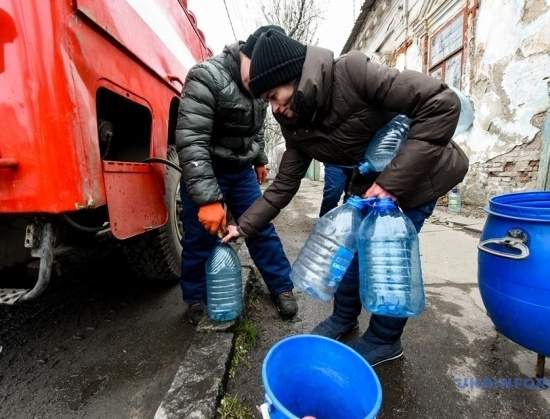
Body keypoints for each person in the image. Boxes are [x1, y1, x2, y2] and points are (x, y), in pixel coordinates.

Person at [222, 29, 468, 366]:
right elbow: (283, 185)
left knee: (388, 263)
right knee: (349, 258)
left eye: (275, 95)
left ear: (294, 76)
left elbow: (441, 103)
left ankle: (384, 340)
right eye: (267, 100)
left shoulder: (353, 72)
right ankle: (343, 318)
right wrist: (243, 226)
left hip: (419, 177)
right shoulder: (295, 123)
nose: (275, 108)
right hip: (368, 185)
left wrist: (393, 183)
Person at [175, 26, 297, 325]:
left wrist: (260, 159)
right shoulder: (205, 77)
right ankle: (196, 297)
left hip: (241, 170)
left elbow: (254, 130)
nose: (261, 84)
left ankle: (281, 286)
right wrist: (208, 199)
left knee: (259, 227)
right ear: (246, 54)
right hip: (207, 168)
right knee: (200, 236)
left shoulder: (258, 85)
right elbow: (191, 141)